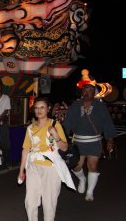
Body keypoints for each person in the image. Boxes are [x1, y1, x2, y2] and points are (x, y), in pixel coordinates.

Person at [18, 96, 75, 221]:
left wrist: (56, 136)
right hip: (33, 166)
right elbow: (26, 149)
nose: (39, 110)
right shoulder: (30, 128)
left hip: (51, 167)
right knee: (30, 201)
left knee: (49, 202)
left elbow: (64, 148)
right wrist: (22, 170)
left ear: (48, 109)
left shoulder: (55, 124)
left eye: (42, 107)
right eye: (36, 108)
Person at [62, 71, 116, 201]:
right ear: (81, 90)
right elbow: (67, 123)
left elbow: (107, 123)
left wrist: (110, 140)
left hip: (94, 142)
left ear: (94, 91)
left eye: (90, 89)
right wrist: (61, 138)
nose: (87, 91)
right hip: (78, 142)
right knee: (76, 166)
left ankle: (90, 192)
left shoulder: (101, 106)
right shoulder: (75, 106)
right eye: (85, 88)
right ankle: (82, 179)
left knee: (92, 165)